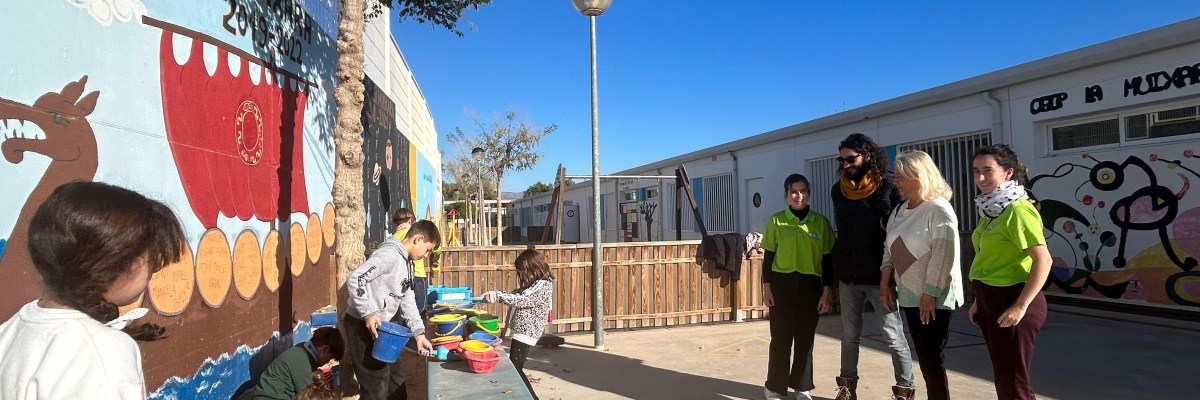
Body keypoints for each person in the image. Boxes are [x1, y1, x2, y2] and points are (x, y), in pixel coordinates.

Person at [0, 181, 186, 399]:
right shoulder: (104, 350)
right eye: (151, 259)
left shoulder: (11, 330)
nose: (155, 269)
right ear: (112, 265)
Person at [828, 133, 914, 400]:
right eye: (841, 160)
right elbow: (842, 230)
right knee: (849, 336)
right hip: (848, 277)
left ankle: (904, 390)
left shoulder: (889, 187)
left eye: (850, 159)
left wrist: (893, 275)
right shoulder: (838, 190)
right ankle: (847, 388)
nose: (845, 165)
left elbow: (899, 234)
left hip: (881, 277)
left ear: (867, 156)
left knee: (893, 336)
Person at [968, 144, 1051, 400]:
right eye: (976, 171)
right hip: (990, 297)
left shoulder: (1017, 210)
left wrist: (1020, 306)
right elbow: (990, 259)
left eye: (988, 170)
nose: (981, 178)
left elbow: (1043, 261)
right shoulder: (992, 209)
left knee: (1014, 382)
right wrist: (978, 302)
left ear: (1008, 172)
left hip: (1013, 297)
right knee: (1005, 378)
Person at [880, 150, 964, 400]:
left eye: (900, 176)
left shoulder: (938, 209)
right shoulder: (899, 210)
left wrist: (930, 293)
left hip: (935, 296)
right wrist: (885, 282)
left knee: (931, 358)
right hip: (908, 293)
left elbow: (943, 253)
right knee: (924, 357)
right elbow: (889, 248)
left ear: (918, 176)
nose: (895, 181)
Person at [343, 220, 440, 400]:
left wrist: (419, 334)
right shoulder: (389, 255)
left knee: (396, 381)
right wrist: (368, 312)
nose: (426, 255)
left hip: (383, 329)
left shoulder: (407, 263)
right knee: (376, 384)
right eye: (427, 250)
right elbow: (356, 279)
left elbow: (407, 299)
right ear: (418, 239)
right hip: (361, 325)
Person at [760, 174, 835, 400]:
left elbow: (827, 262)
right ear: (786, 194)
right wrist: (767, 289)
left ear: (808, 193)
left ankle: (802, 388)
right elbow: (768, 259)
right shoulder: (776, 221)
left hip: (810, 288)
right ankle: (773, 387)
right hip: (781, 286)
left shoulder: (820, 222)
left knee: (805, 340)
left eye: (803, 191)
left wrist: (826, 294)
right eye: (793, 191)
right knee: (780, 339)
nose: (798, 196)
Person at [482, 248, 555, 400]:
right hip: (524, 330)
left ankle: (532, 397)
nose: (521, 275)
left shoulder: (543, 285)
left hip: (527, 331)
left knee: (515, 369)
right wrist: (496, 294)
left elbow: (523, 299)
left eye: (522, 271)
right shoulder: (537, 284)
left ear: (532, 268)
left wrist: (497, 297)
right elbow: (518, 294)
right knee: (516, 368)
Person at [243, 327, 344, 400]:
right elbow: (310, 395)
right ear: (325, 349)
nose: (327, 362)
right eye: (330, 358)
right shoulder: (303, 361)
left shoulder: (303, 348)